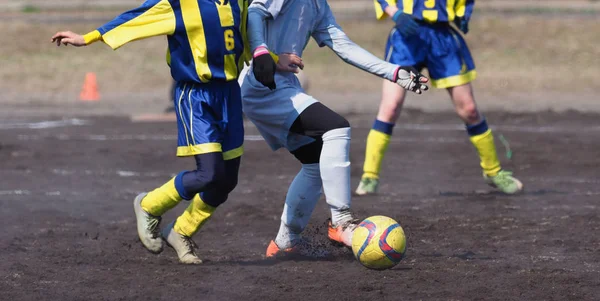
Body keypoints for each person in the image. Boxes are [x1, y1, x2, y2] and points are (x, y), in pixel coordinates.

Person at [51, 0, 252, 264]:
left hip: (230, 94)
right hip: (196, 96)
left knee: (227, 180)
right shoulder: (179, 3)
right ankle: (149, 205)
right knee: (208, 173)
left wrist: (270, 58)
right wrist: (88, 37)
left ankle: (181, 232)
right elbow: (137, 18)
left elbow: (250, 33)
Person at [240, 0, 429, 257]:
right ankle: (341, 221)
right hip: (262, 85)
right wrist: (263, 52)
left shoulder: (318, 6)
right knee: (336, 129)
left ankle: (285, 242)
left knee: (316, 162)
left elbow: (344, 47)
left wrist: (394, 73)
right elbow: (254, 12)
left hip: (284, 86)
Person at [356, 0, 523, 195]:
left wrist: (462, 14)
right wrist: (394, 12)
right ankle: (369, 176)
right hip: (406, 37)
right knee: (391, 107)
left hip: (443, 40)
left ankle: (493, 172)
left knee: (469, 110)